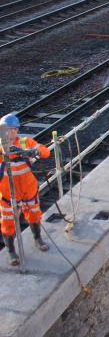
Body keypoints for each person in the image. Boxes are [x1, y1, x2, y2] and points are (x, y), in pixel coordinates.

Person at [0, 113, 50, 266]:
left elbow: (45, 151)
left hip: (28, 191)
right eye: (8, 129)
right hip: (8, 195)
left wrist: (34, 152)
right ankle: (11, 252)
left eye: (14, 129)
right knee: (8, 223)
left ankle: (37, 238)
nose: (12, 132)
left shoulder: (25, 142)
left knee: (34, 215)